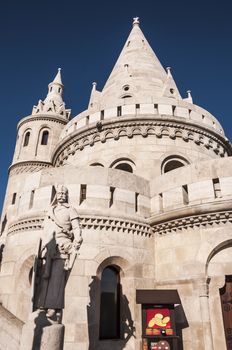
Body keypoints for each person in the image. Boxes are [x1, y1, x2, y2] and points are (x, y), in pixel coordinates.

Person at [33, 185, 82, 321]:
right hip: (48, 246)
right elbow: (45, 228)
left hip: (63, 245)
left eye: (64, 193)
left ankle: (53, 306)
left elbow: (76, 227)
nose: (61, 195)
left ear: (67, 195)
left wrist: (77, 239)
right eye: (59, 193)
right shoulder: (51, 210)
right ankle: (41, 303)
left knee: (57, 277)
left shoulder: (71, 210)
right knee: (45, 276)